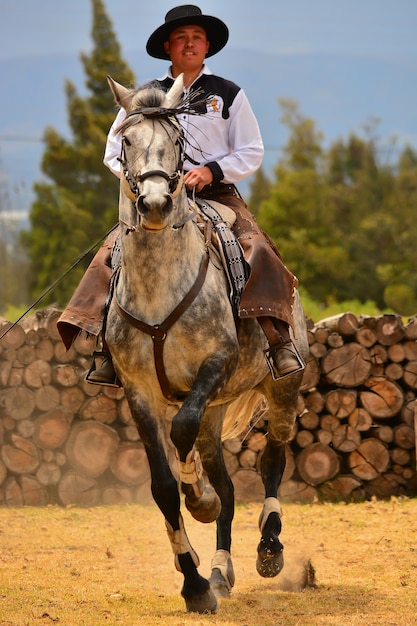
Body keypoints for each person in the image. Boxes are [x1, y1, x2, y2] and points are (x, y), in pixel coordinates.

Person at [57, 5, 304, 385]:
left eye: (196, 38)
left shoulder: (227, 94)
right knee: (111, 253)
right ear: (169, 47)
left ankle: (277, 341)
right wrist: (145, 181)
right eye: (181, 38)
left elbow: (251, 150)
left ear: (206, 46)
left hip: (217, 194)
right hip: (156, 195)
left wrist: (211, 171)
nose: (189, 44)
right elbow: (113, 151)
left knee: (257, 248)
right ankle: (105, 346)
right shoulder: (144, 96)